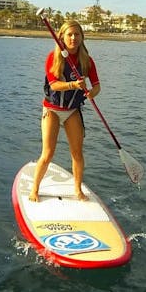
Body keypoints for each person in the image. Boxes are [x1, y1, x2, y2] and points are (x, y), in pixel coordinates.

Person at [29, 20, 101, 202]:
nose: (73, 38)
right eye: (69, 34)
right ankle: (34, 189)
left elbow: (97, 86)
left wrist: (92, 93)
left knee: (77, 153)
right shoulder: (54, 58)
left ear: (82, 37)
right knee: (48, 153)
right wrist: (73, 84)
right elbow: (54, 85)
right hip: (52, 110)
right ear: (62, 37)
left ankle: (78, 190)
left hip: (72, 111)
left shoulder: (87, 60)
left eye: (77, 34)